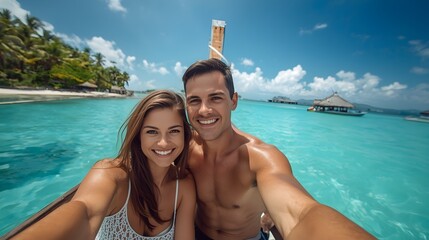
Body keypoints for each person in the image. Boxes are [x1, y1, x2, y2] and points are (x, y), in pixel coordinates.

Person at [182, 58, 375, 240]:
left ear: (233, 101)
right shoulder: (184, 148)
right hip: (198, 233)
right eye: (194, 100)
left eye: (215, 98)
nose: (204, 110)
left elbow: (301, 214)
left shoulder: (260, 158)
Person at [13, 90, 196, 240]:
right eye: (152, 132)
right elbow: (86, 212)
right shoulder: (111, 175)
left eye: (174, 131)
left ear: (185, 135)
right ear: (138, 136)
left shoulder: (184, 186)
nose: (163, 143)